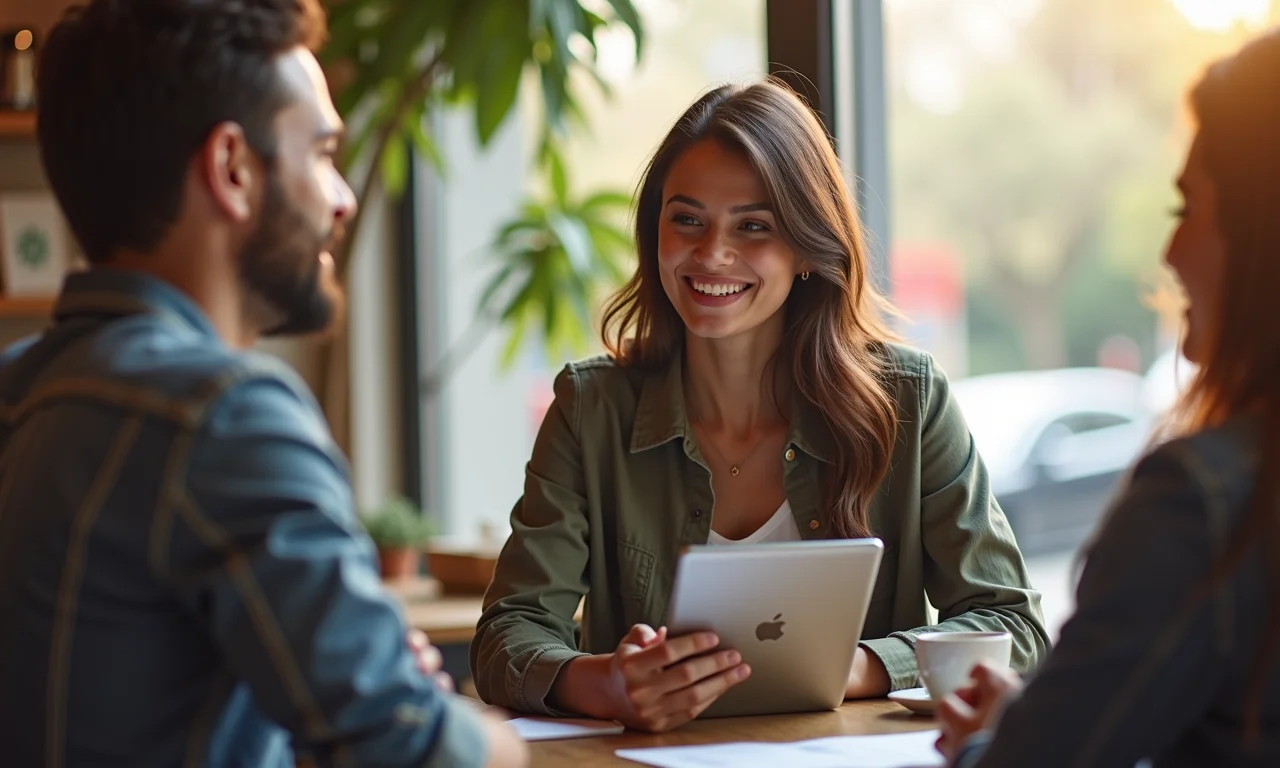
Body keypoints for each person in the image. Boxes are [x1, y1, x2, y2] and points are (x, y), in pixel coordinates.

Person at [0, 1, 526, 766]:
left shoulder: (21, 389)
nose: (343, 197)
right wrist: (486, 736)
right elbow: (415, 752)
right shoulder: (223, 413)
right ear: (233, 169)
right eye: (321, 153)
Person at [469, 79, 1048, 733]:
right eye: (686, 220)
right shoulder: (591, 408)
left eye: (753, 227)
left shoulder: (908, 400)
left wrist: (856, 667)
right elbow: (507, 635)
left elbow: (1012, 625)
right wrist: (605, 684)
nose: (712, 253)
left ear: (806, 247)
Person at [937, 28, 1280, 768]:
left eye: (1187, 210)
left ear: (1260, 235)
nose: (1170, 254)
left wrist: (991, 746)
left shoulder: (1205, 504)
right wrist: (1038, 718)